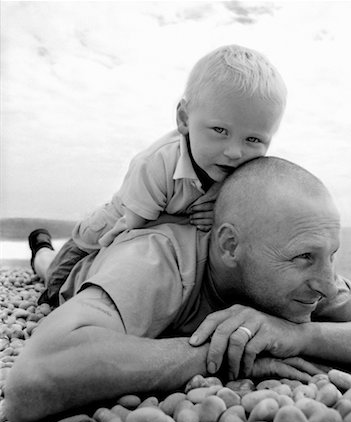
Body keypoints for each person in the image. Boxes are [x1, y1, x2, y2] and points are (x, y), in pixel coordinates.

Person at [5, 157, 351, 422]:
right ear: (229, 245)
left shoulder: (307, 265)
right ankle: (41, 249)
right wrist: (231, 355)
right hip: (84, 272)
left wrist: (300, 336)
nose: (327, 283)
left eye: (332, 256)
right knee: (48, 273)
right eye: (304, 258)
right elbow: (32, 381)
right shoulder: (160, 260)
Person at [30, 44, 287, 307]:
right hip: (105, 231)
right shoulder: (156, 163)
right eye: (220, 130)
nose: (235, 152)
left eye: (253, 139)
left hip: (144, 229)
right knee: (55, 285)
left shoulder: (246, 171)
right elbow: (132, 233)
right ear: (184, 119)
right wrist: (189, 219)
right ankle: (41, 249)